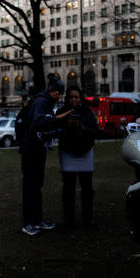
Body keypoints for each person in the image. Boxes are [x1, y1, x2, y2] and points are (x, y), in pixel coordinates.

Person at [19, 74, 72, 236]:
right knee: (31, 186)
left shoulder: (45, 102)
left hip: (37, 148)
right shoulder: (42, 102)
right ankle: (28, 223)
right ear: (52, 92)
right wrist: (59, 118)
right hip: (31, 149)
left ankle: (37, 219)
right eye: (59, 92)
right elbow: (39, 123)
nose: (60, 96)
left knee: (36, 186)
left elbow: (46, 128)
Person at [56, 86, 98, 228]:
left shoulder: (88, 112)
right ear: (67, 98)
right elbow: (56, 131)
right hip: (68, 153)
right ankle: (69, 219)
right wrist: (66, 125)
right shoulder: (61, 112)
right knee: (69, 188)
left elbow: (96, 131)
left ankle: (88, 218)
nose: (74, 99)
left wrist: (83, 128)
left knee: (87, 188)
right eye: (71, 97)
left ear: (81, 98)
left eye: (76, 97)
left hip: (85, 152)